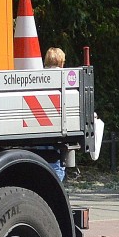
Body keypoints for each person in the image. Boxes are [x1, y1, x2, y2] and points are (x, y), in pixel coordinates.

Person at [43, 47, 66, 181]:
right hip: (57, 127)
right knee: (57, 163)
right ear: (61, 61)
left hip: (37, 126)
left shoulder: (37, 76)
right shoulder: (63, 76)